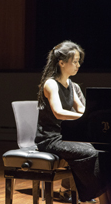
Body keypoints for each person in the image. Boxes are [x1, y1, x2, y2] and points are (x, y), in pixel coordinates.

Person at [35, 40, 111, 204]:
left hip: (65, 137)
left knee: (103, 150)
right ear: (62, 63)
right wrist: (86, 117)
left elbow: (82, 110)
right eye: (75, 61)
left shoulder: (70, 84)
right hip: (49, 139)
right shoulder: (51, 84)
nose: (78, 65)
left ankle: (101, 196)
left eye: (78, 61)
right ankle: (99, 197)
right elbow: (58, 112)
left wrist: (98, 115)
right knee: (91, 153)